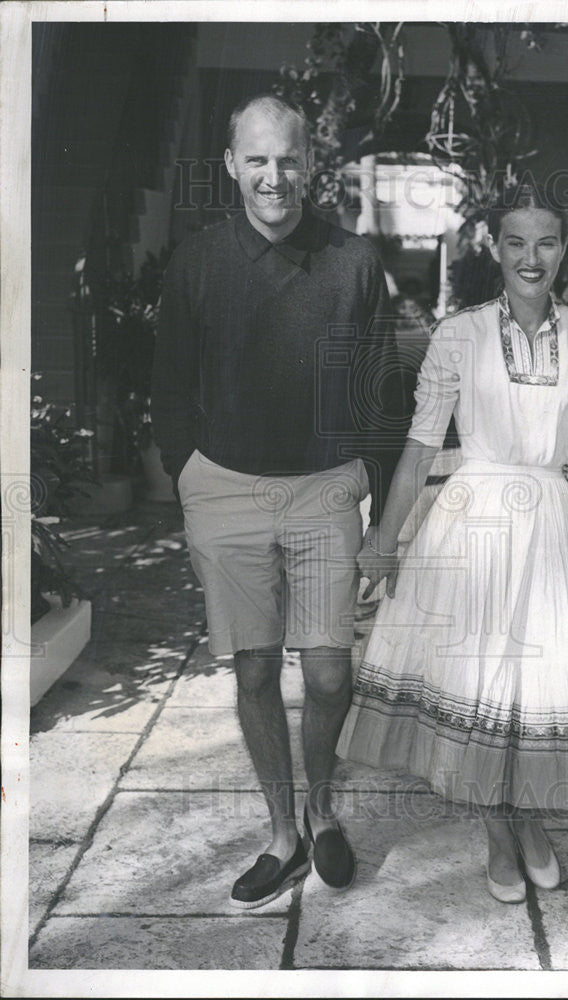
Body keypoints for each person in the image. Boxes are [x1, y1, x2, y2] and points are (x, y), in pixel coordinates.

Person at [336, 184, 568, 903]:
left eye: (545, 242)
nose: (529, 257)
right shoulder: (460, 334)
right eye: (515, 241)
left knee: (532, 687)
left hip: (547, 525)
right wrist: (383, 542)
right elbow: (417, 449)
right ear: (494, 247)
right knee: (478, 685)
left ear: (564, 249)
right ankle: (500, 832)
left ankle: (525, 822)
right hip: (471, 521)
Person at [150, 93, 407, 909]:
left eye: (287, 159)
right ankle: (282, 835)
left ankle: (324, 808)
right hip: (222, 485)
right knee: (255, 669)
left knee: (330, 672)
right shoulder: (196, 262)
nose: (273, 176)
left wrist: (369, 484)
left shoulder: (352, 263)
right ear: (232, 165)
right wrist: (187, 470)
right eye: (256, 159)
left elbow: (379, 390)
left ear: (310, 164)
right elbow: (165, 384)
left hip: (324, 485)